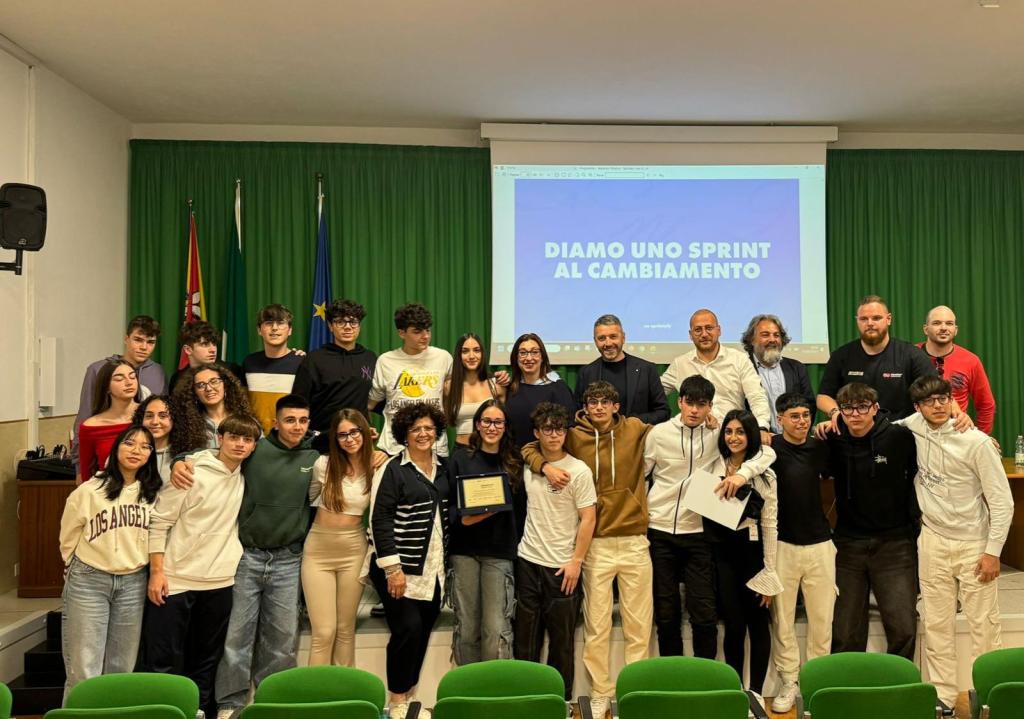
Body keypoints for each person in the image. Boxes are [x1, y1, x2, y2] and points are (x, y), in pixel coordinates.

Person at [523, 380, 651, 719]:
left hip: (635, 540)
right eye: (592, 402)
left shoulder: (636, 429)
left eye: (605, 402)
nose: (598, 407)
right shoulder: (573, 435)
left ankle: (634, 692)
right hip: (596, 543)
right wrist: (544, 466)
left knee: (639, 626)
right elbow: (530, 449)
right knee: (597, 625)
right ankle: (600, 693)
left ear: (616, 406)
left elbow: (676, 431)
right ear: (585, 406)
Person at [643, 376, 775, 666]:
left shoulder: (718, 434)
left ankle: (706, 678)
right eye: (689, 403)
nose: (694, 410)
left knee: (704, 613)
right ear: (679, 402)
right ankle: (671, 677)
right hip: (660, 531)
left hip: (700, 533)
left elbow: (765, 451)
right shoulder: (658, 434)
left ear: (710, 407)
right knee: (666, 612)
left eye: (702, 405)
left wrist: (742, 475)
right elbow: (642, 474)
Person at [139, 414, 262, 719]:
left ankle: (200, 713)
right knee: (163, 660)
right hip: (175, 580)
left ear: (253, 446)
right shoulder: (190, 473)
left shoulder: (244, 475)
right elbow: (159, 522)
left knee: (206, 661)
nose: (240, 444)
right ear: (220, 439)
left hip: (219, 582)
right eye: (234, 437)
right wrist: (157, 572)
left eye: (247, 440)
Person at [903, 375, 1012, 713]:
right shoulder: (912, 426)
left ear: (953, 400)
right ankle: (944, 698)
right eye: (929, 401)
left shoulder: (976, 442)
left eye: (943, 399)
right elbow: (874, 426)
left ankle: (987, 697)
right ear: (918, 407)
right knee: (936, 624)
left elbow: (1002, 502)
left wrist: (992, 552)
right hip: (932, 540)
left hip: (974, 544)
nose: (937, 406)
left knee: (984, 625)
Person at [59, 426, 162, 699]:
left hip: (133, 582)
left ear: (151, 455)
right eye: (129, 443)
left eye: (145, 446)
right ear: (116, 448)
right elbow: (68, 537)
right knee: (84, 669)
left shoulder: (153, 493)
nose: (136, 450)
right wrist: (73, 567)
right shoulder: (90, 491)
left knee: (121, 668)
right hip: (90, 579)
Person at [823, 382, 919, 659]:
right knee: (845, 632)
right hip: (848, 544)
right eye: (848, 408)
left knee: (903, 627)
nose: (855, 414)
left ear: (875, 408)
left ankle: (900, 681)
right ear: (839, 411)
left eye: (862, 407)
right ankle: (849, 683)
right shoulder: (833, 439)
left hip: (895, 544)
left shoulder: (900, 437)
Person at [367, 402, 450, 719]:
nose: (423, 434)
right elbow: (379, 520)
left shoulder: (444, 468)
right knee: (408, 630)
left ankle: (410, 698)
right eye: (416, 429)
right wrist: (393, 570)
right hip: (399, 570)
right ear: (404, 434)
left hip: (434, 571)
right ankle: (397, 701)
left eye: (429, 428)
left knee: (422, 631)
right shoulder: (392, 469)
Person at [514, 402, 596, 701]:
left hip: (562, 567)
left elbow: (588, 518)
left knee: (562, 645)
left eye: (559, 430)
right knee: (525, 643)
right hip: (528, 561)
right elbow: (525, 451)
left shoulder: (579, 470)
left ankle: (559, 703)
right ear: (537, 433)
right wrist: (545, 466)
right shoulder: (530, 465)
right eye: (547, 430)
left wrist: (576, 561)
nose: (553, 435)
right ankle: (526, 701)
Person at [706, 409, 782, 702]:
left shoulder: (764, 474)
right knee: (733, 626)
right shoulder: (714, 465)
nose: (733, 437)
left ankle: (757, 693)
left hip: (754, 554)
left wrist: (769, 571)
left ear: (750, 435)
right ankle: (737, 692)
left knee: (758, 624)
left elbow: (770, 525)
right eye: (729, 431)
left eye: (740, 432)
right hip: (723, 554)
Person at [767, 393, 835, 714]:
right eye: (794, 416)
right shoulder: (769, 449)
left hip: (820, 543)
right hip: (782, 545)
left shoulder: (821, 447)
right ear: (780, 418)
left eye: (806, 415)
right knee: (783, 619)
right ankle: (789, 680)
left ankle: (816, 681)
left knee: (822, 618)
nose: (802, 421)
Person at [449, 400, 523, 664]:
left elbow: (521, 510)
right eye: (487, 421)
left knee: (496, 627)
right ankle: (467, 684)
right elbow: (451, 508)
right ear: (477, 425)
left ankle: (495, 684)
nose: (492, 427)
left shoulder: (515, 461)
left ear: (505, 426)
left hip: (499, 552)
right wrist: (470, 517)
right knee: (467, 627)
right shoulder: (460, 459)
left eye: (498, 422)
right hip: (464, 552)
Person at [302, 408, 375, 667]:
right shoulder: (324, 464)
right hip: (318, 549)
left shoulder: (377, 466)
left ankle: (345, 689)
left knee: (345, 630)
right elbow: (311, 497)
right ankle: (318, 692)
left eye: (354, 432)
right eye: (343, 434)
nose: (349, 439)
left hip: (353, 549)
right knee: (323, 632)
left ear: (365, 432)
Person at [817, 295, 938, 425]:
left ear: (888, 319)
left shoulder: (912, 355)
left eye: (876, 318)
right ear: (857, 321)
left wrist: (954, 412)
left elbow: (936, 392)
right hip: (855, 431)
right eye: (864, 319)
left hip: (900, 430)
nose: (870, 323)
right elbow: (823, 396)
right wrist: (836, 413)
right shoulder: (841, 356)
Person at [660, 309, 772, 443]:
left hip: (732, 438)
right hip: (693, 439)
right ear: (690, 335)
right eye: (698, 330)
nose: (704, 334)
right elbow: (655, 391)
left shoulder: (739, 359)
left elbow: (756, 396)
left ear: (719, 330)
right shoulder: (680, 364)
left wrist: (761, 427)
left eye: (709, 328)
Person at [73, 315, 166, 475]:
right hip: (106, 454)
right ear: (126, 339)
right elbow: (85, 415)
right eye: (138, 340)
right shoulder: (98, 369)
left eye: (150, 342)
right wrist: (79, 467)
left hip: (148, 461)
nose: (144, 347)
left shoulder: (158, 371)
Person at [369, 303, 453, 457]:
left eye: (428, 330)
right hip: (395, 448)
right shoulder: (385, 361)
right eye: (417, 331)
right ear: (401, 333)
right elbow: (370, 403)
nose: (425, 336)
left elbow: (455, 393)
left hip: (434, 448)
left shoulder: (443, 358)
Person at [293, 299, 378, 445]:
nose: (348, 327)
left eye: (353, 322)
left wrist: (367, 428)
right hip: (322, 442)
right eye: (340, 322)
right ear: (330, 326)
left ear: (359, 326)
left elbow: (376, 399)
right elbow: (298, 403)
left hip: (358, 440)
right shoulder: (314, 359)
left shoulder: (370, 358)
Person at [574, 314, 669, 424]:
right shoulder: (586, 373)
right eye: (601, 338)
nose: (608, 343)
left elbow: (663, 412)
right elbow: (579, 413)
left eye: (613, 337)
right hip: (598, 434)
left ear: (623, 338)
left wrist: (631, 424)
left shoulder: (647, 370)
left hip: (637, 434)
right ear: (595, 341)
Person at [918, 305, 996, 434]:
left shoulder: (971, 361)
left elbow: (986, 405)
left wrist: (981, 438)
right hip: (917, 434)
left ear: (956, 330)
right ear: (926, 329)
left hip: (956, 434)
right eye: (937, 323)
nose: (943, 328)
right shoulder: (911, 355)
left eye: (949, 323)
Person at [741, 314, 814, 433]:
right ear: (751, 339)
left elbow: (809, 405)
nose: (772, 339)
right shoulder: (742, 368)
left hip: (792, 439)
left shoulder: (797, 368)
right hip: (757, 437)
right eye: (765, 335)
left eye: (776, 335)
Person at [503, 333, 576, 449]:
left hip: (546, 456)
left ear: (542, 357)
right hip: (513, 456)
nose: (529, 358)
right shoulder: (510, 388)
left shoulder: (558, 388)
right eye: (523, 353)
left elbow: (568, 428)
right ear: (516, 358)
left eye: (534, 352)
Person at [243, 304, 306, 434]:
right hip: (254, 437)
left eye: (281, 323)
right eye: (268, 323)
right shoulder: (249, 362)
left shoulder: (302, 363)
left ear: (290, 330)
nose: (275, 328)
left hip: (289, 438)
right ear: (259, 330)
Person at [77, 360, 140, 482]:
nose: (129, 382)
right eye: (119, 379)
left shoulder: (151, 416)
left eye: (132, 377)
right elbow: (87, 475)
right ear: (106, 387)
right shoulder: (91, 426)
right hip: (108, 489)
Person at [443, 333, 507, 447]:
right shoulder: (449, 387)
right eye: (465, 351)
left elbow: (505, 422)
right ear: (459, 355)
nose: (471, 356)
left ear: (482, 354)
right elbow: (445, 419)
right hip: (461, 450)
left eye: (477, 350)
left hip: (491, 451)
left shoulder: (496, 385)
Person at [172, 363, 252, 448]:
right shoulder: (187, 426)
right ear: (194, 393)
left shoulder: (245, 420)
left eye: (214, 382)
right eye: (201, 385)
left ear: (225, 385)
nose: (208, 388)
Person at [133, 394, 207, 485]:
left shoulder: (189, 456)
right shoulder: (130, 452)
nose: (155, 422)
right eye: (149, 416)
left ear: (175, 420)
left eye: (163, 416)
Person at [168, 321, 245, 394]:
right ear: (188, 350)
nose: (213, 350)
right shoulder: (177, 379)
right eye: (205, 344)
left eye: (214, 343)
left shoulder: (232, 370)